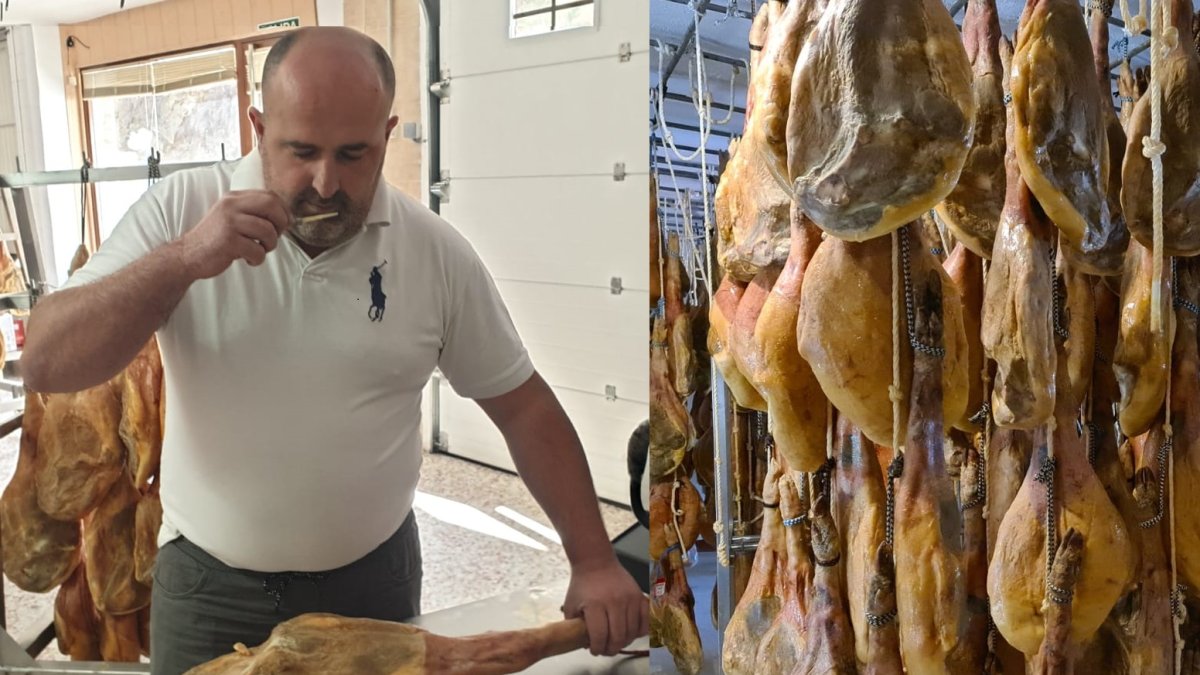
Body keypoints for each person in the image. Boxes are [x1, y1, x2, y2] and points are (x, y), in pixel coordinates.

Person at [22, 26, 647, 674]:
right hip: (209, 590)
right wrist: (185, 259)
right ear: (258, 125)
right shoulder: (183, 208)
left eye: (354, 154)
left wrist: (595, 560)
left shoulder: (431, 251)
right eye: (301, 151)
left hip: (372, 588)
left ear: (388, 132)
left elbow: (524, 408)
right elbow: (47, 358)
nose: (326, 182)